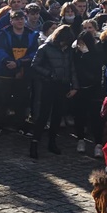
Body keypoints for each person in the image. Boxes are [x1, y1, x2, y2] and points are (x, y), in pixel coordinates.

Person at [29, 24, 78, 158]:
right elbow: (35, 65)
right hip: (49, 85)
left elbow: (72, 68)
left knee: (57, 115)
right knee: (43, 115)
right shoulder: (45, 48)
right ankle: (35, 142)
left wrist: (75, 86)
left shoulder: (68, 50)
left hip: (63, 85)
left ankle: (52, 141)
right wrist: (49, 74)